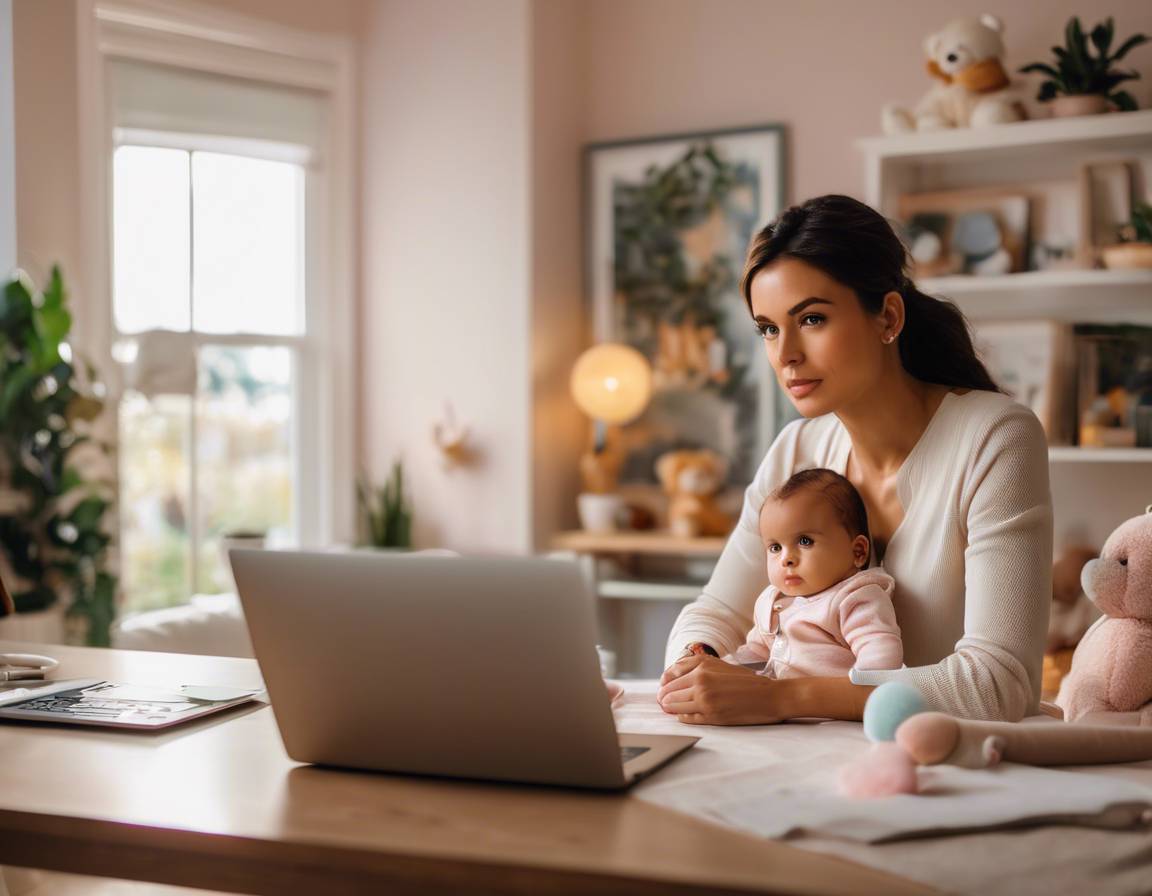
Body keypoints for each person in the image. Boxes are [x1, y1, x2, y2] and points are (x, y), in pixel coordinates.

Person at [658, 194, 1052, 725]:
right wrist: (697, 664)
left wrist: (783, 698)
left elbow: (1001, 683)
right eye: (769, 328)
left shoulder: (995, 436)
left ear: (888, 316)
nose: (786, 354)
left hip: (948, 773)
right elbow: (716, 612)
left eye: (812, 319)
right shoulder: (796, 449)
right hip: (810, 763)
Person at [729, 468, 902, 679]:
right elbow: (756, 652)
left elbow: (880, 658)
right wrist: (726, 669)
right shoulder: (772, 602)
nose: (786, 559)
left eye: (805, 541)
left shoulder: (854, 599)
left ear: (858, 551)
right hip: (778, 708)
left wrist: (860, 698)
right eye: (775, 547)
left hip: (834, 709)